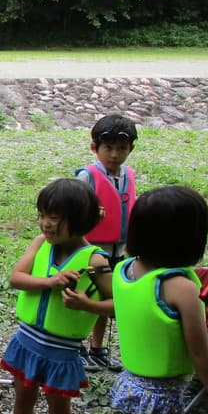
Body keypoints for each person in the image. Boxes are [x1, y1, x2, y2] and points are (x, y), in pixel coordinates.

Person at [0, 179, 114, 414]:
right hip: (26, 342)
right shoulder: (40, 244)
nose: (46, 223)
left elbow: (116, 306)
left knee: (59, 412)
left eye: (55, 217)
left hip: (61, 351)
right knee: (22, 400)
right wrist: (51, 281)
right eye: (42, 214)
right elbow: (16, 278)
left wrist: (86, 305)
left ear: (80, 219)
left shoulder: (95, 261)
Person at [104, 186, 208, 414]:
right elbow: (201, 355)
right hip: (162, 393)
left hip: (131, 382)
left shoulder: (124, 270)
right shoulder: (181, 288)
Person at [75, 114, 138, 372]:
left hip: (117, 250)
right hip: (89, 251)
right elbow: (73, 208)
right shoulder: (87, 176)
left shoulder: (128, 175)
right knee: (86, 296)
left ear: (130, 149)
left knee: (107, 298)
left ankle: (98, 348)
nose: (114, 154)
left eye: (121, 148)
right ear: (95, 147)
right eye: (108, 147)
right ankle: (77, 346)